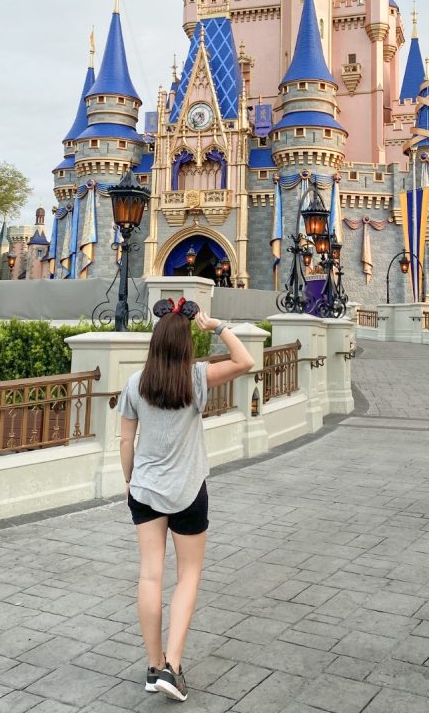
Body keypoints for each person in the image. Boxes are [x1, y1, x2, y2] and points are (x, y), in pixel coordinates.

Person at [118, 298, 254, 702]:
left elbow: (126, 440)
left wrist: (130, 480)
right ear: (185, 346)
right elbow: (244, 361)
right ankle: (172, 666)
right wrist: (215, 325)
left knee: (149, 576)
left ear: (155, 342)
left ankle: (152, 663)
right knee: (188, 575)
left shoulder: (135, 383)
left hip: (145, 491)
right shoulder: (196, 378)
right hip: (189, 490)